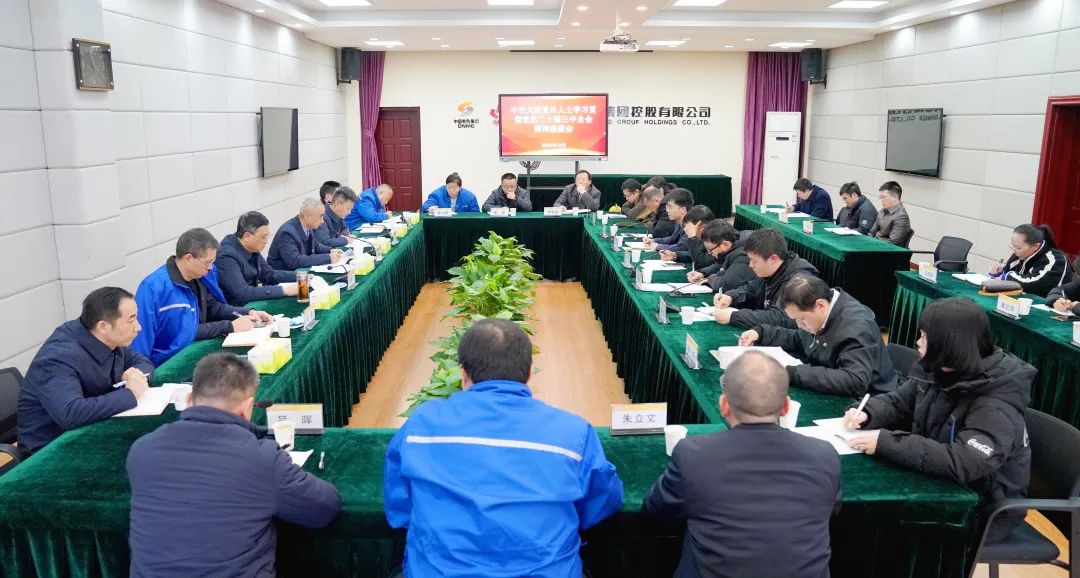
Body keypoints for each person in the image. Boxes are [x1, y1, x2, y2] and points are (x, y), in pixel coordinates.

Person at [384, 318, 623, 578]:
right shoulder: (573, 432)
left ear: (463, 373)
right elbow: (602, 503)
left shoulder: (422, 424)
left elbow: (400, 509)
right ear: (529, 373)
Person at [127, 353, 341, 577]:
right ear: (247, 408)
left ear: (189, 400)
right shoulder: (262, 458)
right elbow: (324, 508)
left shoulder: (141, 450)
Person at [844, 297, 1033, 543]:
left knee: (872, 526)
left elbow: (964, 461)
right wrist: (867, 412)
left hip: (980, 508)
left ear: (949, 343)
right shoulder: (939, 370)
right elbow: (899, 402)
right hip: (936, 482)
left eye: (924, 336)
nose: (918, 342)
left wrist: (888, 443)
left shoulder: (995, 402)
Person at [642, 351, 841, 578]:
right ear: (786, 406)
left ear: (724, 406)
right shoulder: (824, 455)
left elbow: (655, 510)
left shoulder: (693, 455)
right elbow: (832, 509)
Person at [17, 287, 153, 454]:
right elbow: (71, 413)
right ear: (103, 326)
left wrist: (136, 376)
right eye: (131, 320)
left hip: (94, 430)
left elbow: (142, 362)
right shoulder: (57, 358)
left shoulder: (107, 338)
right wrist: (130, 393)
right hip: (51, 450)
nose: (138, 327)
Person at [132, 228, 272, 365]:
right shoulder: (153, 288)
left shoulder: (203, 276)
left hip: (197, 349)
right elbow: (185, 332)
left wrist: (248, 312)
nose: (210, 267)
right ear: (189, 258)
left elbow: (214, 308)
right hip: (167, 361)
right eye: (207, 262)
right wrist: (229, 326)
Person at [738, 276, 898, 397]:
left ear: (820, 305)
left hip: (868, 402)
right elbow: (799, 339)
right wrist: (761, 333)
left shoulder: (856, 325)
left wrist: (791, 373)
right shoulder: (821, 312)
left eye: (801, 319)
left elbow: (854, 380)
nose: (799, 325)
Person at [713, 228, 819, 329]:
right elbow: (751, 289)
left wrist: (734, 316)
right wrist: (731, 297)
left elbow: (780, 318)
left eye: (754, 261)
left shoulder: (800, 281)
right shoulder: (770, 270)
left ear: (773, 259)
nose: (750, 265)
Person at [215, 212, 299, 306]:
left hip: (251, 304)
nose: (266, 242)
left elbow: (269, 274)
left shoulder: (251, 247)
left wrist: (300, 276)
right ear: (247, 236)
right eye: (263, 237)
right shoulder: (226, 257)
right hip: (235, 309)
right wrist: (284, 290)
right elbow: (243, 293)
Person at [988, 223, 1073, 297]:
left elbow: (1034, 283)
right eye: (1012, 246)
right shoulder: (1018, 255)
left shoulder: (1055, 260)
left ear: (1036, 246)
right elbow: (1007, 274)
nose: (1014, 251)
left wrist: (1006, 277)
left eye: (1018, 248)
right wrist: (998, 274)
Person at [267, 198, 346, 270]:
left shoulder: (308, 226)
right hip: (286, 276)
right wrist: (328, 258)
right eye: (320, 217)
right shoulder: (287, 233)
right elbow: (295, 261)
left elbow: (316, 246)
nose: (322, 221)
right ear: (307, 216)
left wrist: (331, 250)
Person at [689, 220, 755, 294]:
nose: (710, 253)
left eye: (710, 250)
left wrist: (709, 279)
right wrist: (703, 273)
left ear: (726, 244)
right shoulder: (730, 250)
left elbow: (726, 285)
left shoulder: (743, 256)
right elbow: (721, 265)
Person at [660, 205, 716, 271]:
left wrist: (692, 236)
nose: (685, 230)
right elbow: (697, 254)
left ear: (703, 227)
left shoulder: (717, 239)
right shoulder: (704, 237)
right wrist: (675, 255)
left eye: (691, 228)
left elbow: (700, 263)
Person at [644, 188, 694, 253]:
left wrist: (656, 246)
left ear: (682, 209)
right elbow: (672, 239)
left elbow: (681, 247)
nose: (667, 210)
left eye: (670, 207)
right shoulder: (678, 221)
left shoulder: (691, 224)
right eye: (667, 207)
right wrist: (654, 241)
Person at [868, 181, 912, 246]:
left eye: (884, 197)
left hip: (886, 249)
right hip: (876, 244)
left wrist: (874, 241)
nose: (881, 200)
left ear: (895, 197)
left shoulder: (901, 216)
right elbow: (872, 232)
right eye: (880, 197)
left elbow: (891, 243)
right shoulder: (883, 210)